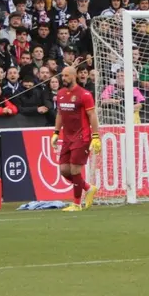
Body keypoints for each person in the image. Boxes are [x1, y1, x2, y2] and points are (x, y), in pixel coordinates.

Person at [51, 65, 102, 212]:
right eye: (62, 76)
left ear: (73, 76)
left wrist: (96, 136)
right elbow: (60, 114)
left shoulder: (84, 95)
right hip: (67, 137)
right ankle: (87, 188)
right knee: (64, 170)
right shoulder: (60, 94)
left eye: (66, 76)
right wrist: (55, 132)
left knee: (74, 170)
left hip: (82, 136)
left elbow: (92, 115)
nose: (63, 78)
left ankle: (76, 204)